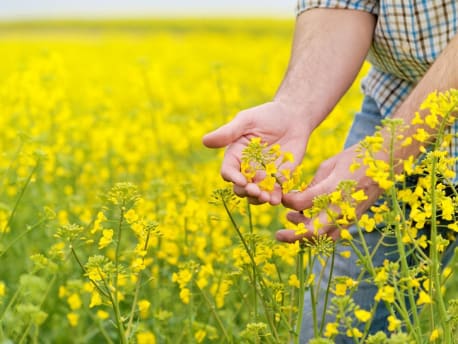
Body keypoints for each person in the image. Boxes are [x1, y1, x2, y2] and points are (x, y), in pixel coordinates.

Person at [203, 1, 458, 342]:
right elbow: (343, 4)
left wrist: (387, 154)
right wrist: (294, 108)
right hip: (399, 99)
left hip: (401, 126)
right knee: (332, 331)